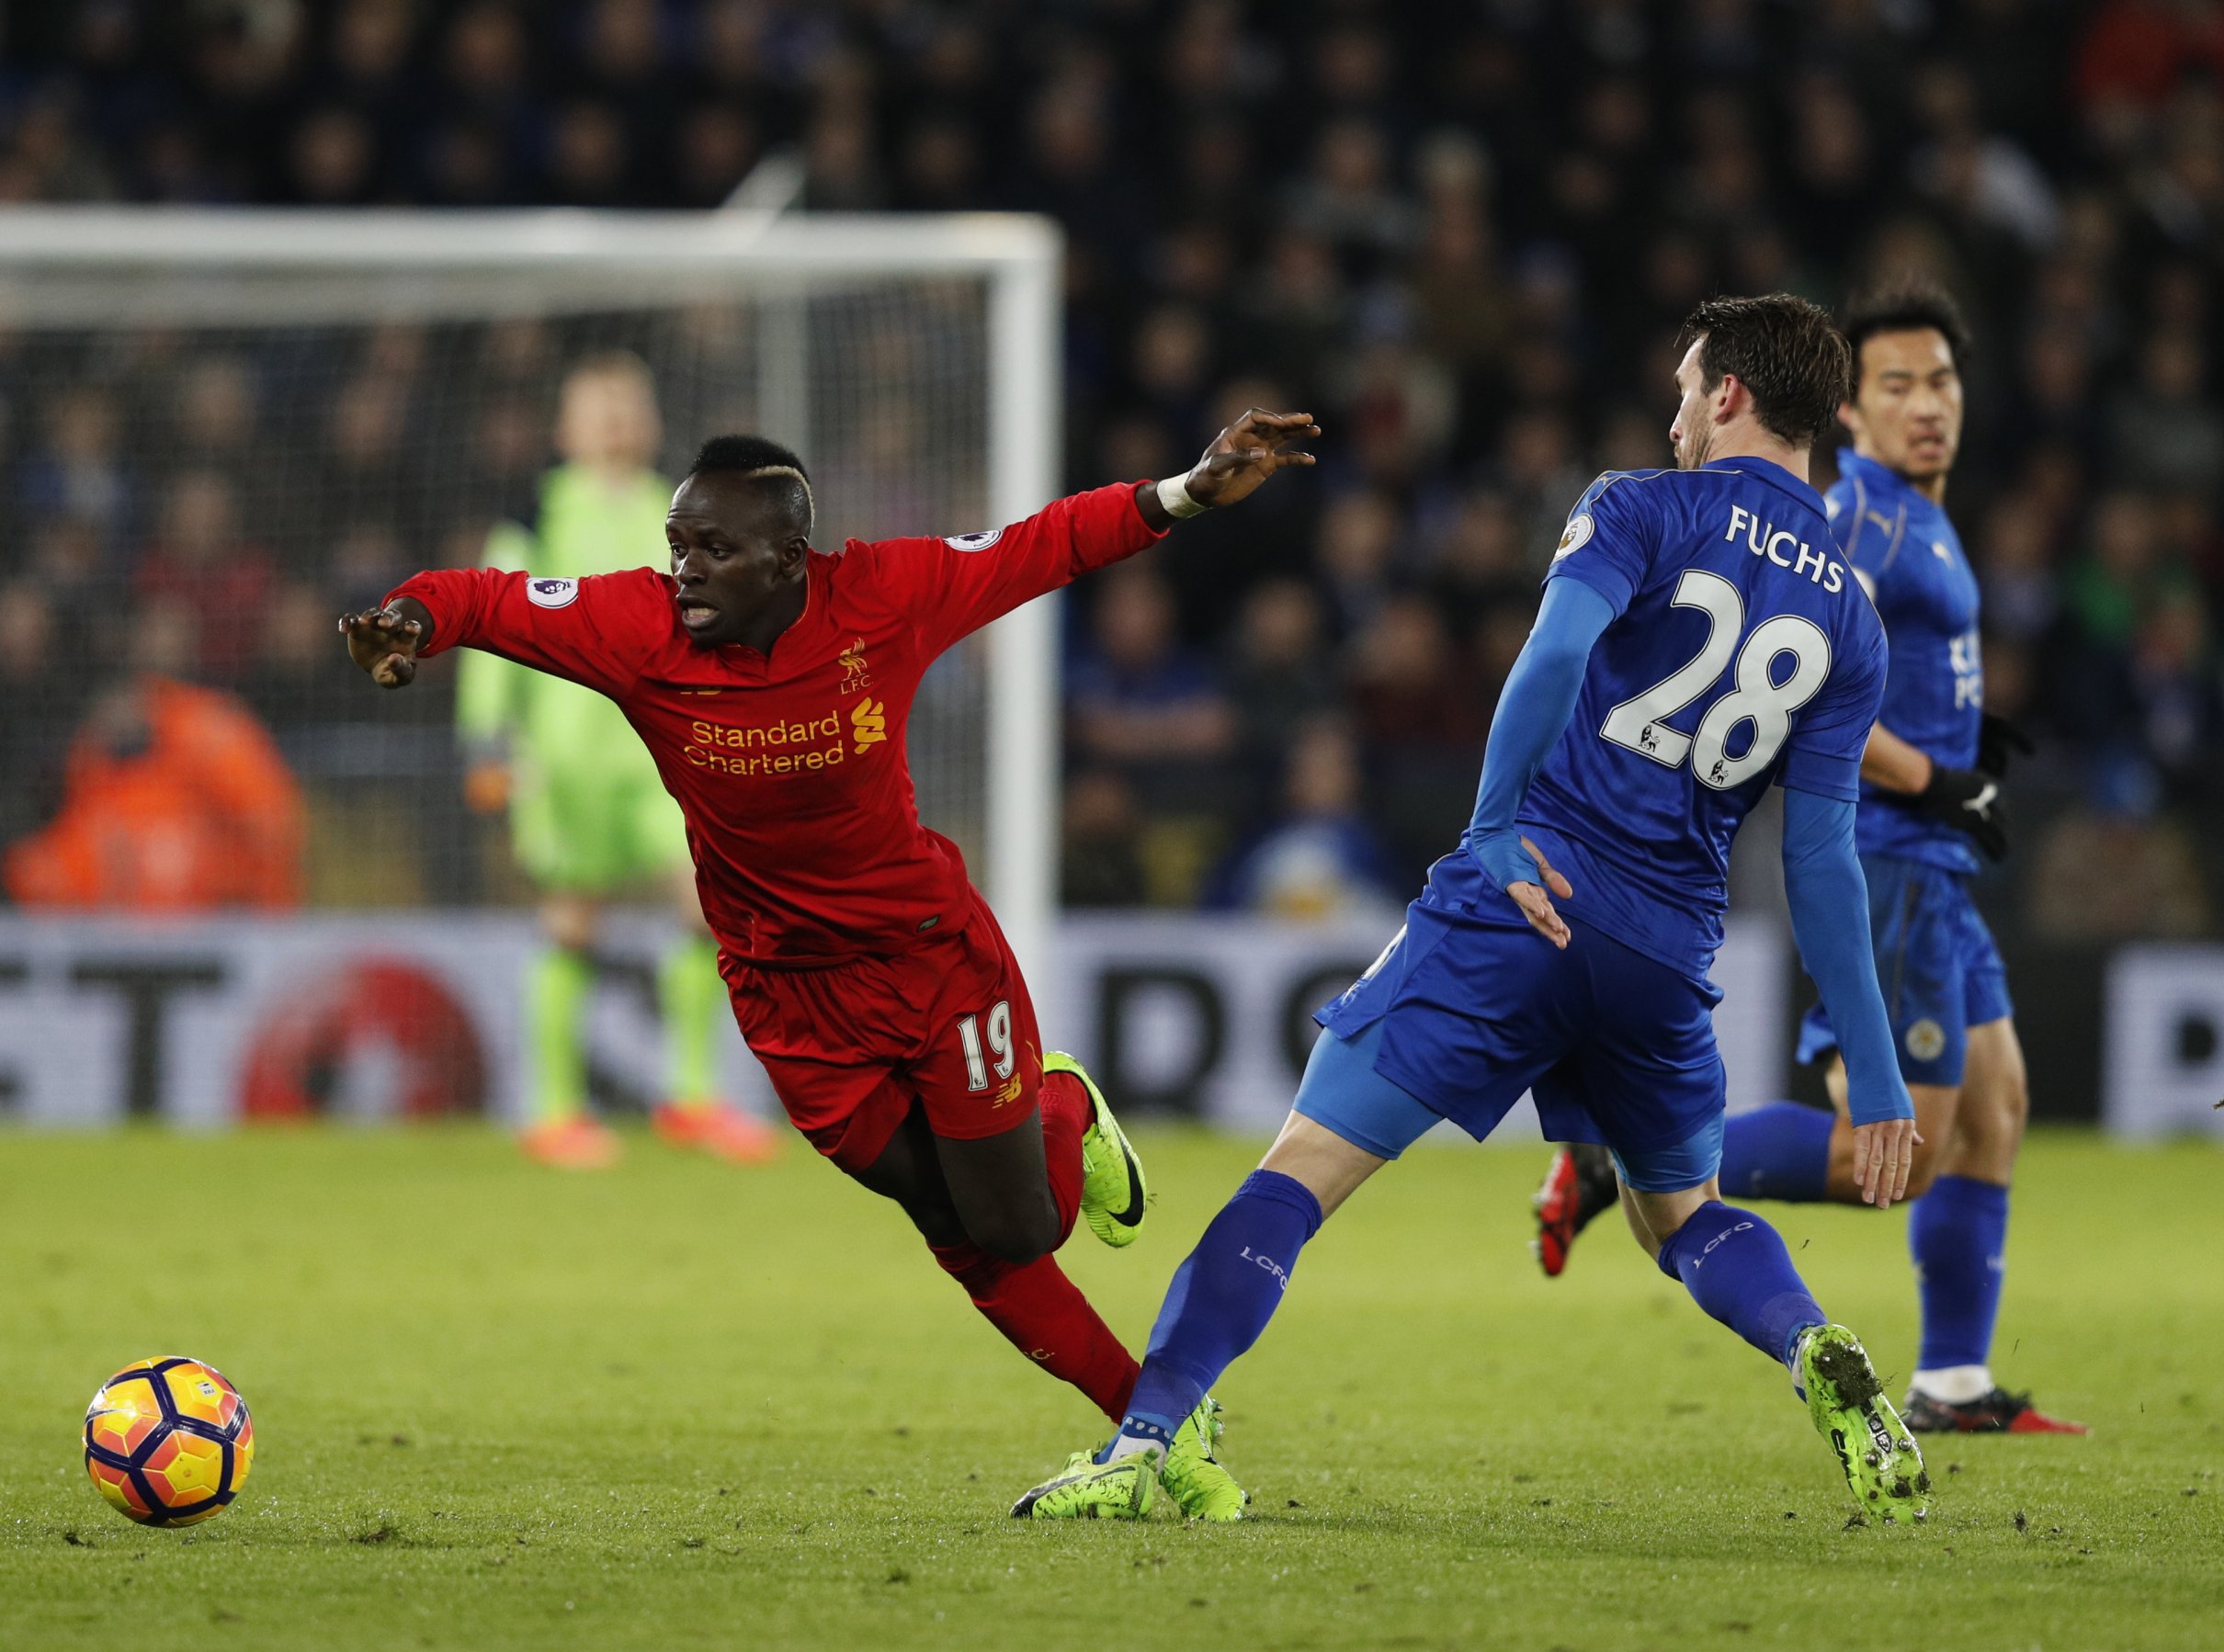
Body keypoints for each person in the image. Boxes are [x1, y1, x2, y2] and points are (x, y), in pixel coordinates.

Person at [1016, 296, 1932, 1527]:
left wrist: (1495, 822)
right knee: (1684, 1217)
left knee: (1301, 1169)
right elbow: (1823, 857)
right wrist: (1874, 1078)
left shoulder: (1640, 505)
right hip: (1666, 949)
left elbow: (1551, 659)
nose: (1672, 415)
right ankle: (1815, 1344)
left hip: (1529, 897)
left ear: (1732, 398)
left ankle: (1143, 1436)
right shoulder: (1853, 620)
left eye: (1685, 387)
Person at [340, 410, 1319, 1433]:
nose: (685, 571)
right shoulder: (638, 629)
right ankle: (1155, 1424)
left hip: (929, 959)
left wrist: (1188, 491)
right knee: (952, 1225)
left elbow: (1044, 544)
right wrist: (409, 621)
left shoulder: (883, 595)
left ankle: (1062, 1102)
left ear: (789, 556)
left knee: (1025, 1225)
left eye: (715, 549)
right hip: (787, 997)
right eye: (677, 545)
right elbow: (484, 598)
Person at [1533, 287, 2086, 1436]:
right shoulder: (1861, 526)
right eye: (1896, 386)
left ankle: (1954, 1382)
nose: (1926, 406)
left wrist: (1949, 758)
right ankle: (1621, 1163)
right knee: (1902, 1150)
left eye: (1940, 381)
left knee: (2001, 1105)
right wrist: (1932, 779)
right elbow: (1812, 690)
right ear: (1846, 407)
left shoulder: (1921, 517)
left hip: (1933, 860)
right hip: (1888, 861)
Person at [455, 353, 776, 1170]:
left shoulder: (679, 512)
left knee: (705, 903)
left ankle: (692, 1099)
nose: (614, 422)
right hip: (563, 753)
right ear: (565, 428)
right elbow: (491, 618)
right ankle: (555, 1111)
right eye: (597, 409)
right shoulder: (534, 512)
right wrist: (488, 735)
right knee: (573, 915)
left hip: (663, 749)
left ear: (652, 421)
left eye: (627, 407)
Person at [6, 600, 304, 912]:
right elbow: (62, 859)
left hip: (234, 925)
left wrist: (233, 883)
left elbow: (272, 824)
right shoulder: (93, 763)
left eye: (117, 700)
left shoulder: (206, 729)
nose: (109, 719)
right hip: (126, 938)